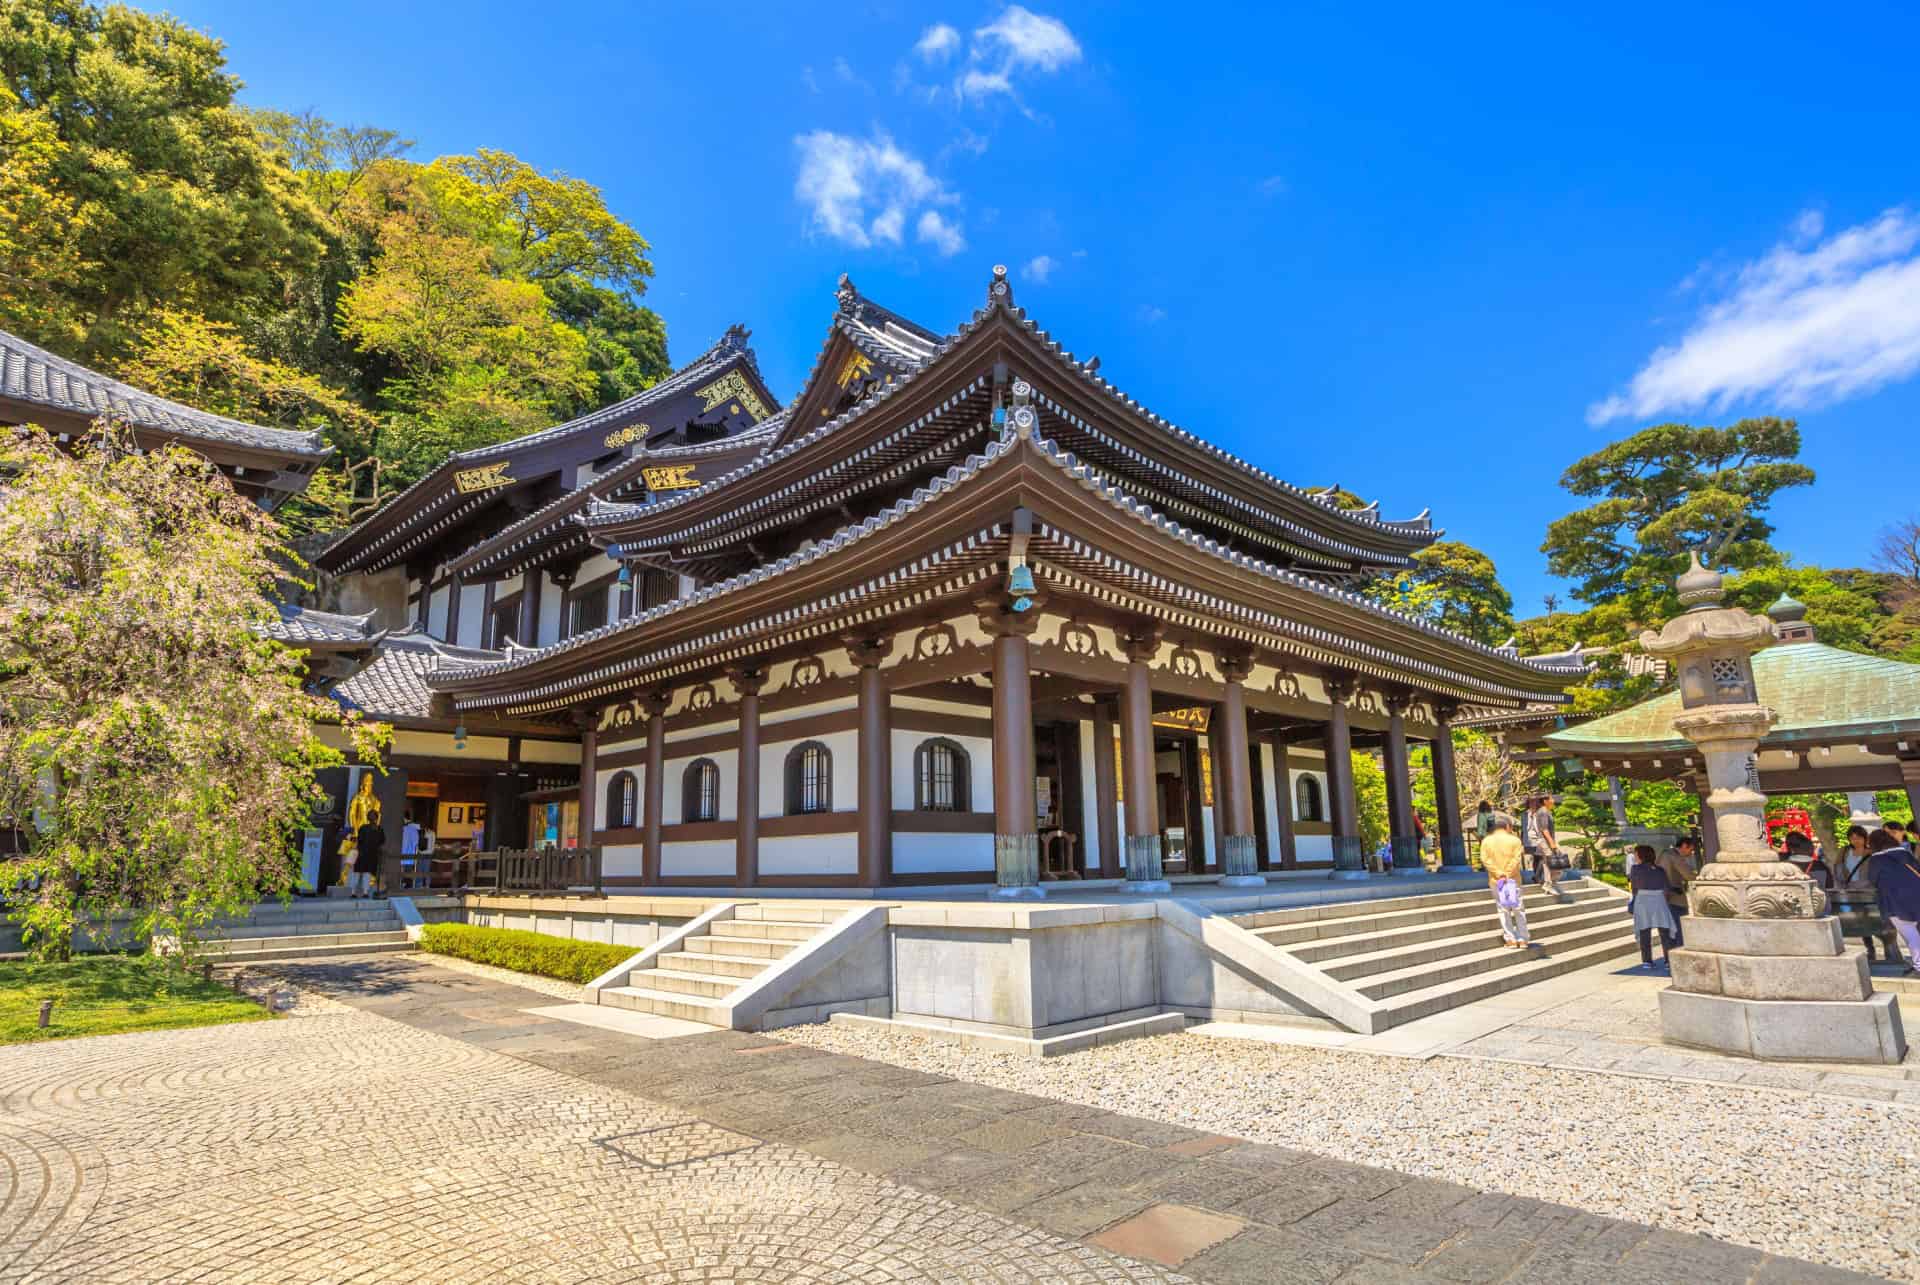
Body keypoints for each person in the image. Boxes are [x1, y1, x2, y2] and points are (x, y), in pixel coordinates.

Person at [1868, 828, 1920, 977]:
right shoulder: (1904, 853)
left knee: (1911, 935)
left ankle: (1919, 966)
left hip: (1894, 902)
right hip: (1917, 895)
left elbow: (1873, 880)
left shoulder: (1876, 859)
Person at [1480, 812, 1531, 948]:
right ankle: (1523, 938)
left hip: (1496, 880)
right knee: (1518, 908)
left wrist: (1499, 873)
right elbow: (1516, 859)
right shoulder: (1515, 840)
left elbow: (1485, 860)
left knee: (1503, 909)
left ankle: (1510, 939)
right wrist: (1507, 873)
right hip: (1513, 879)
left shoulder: (1486, 841)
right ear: (1507, 826)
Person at [1628, 844, 1680, 971]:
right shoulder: (1660, 869)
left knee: (1644, 931)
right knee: (1665, 932)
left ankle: (1647, 961)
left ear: (1640, 855)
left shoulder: (1635, 869)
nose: (1635, 856)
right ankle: (1668, 961)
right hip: (1659, 900)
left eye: (1636, 853)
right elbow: (1666, 888)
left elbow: (1634, 888)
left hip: (1643, 900)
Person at [1524, 795, 1563, 895]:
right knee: (1556, 865)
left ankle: (1548, 884)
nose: (1553, 800)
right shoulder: (1543, 811)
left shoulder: (1543, 811)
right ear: (1545, 801)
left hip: (1544, 842)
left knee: (1547, 864)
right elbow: (1544, 829)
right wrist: (1552, 844)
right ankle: (1550, 884)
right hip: (1545, 842)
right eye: (1551, 799)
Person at [1654, 845, 1691, 945]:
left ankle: (1668, 958)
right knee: (1680, 931)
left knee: (1666, 933)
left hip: (1661, 898)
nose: (1691, 853)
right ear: (1684, 846)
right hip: (1676, 899)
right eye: (1690, 849)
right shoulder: (1674, 856)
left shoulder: (1661, 854)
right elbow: (1689, 875)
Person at [350, 817, 385, 899]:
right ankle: (365, 892)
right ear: (376, 818)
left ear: (368, 818)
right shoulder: (379, 829)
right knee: (367, 874)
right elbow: (382, 841)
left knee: (357, 874)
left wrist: (351, 838)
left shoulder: (363, 827)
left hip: (361, 854)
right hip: (372, 855)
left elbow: (359, 839)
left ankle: (353, 892)